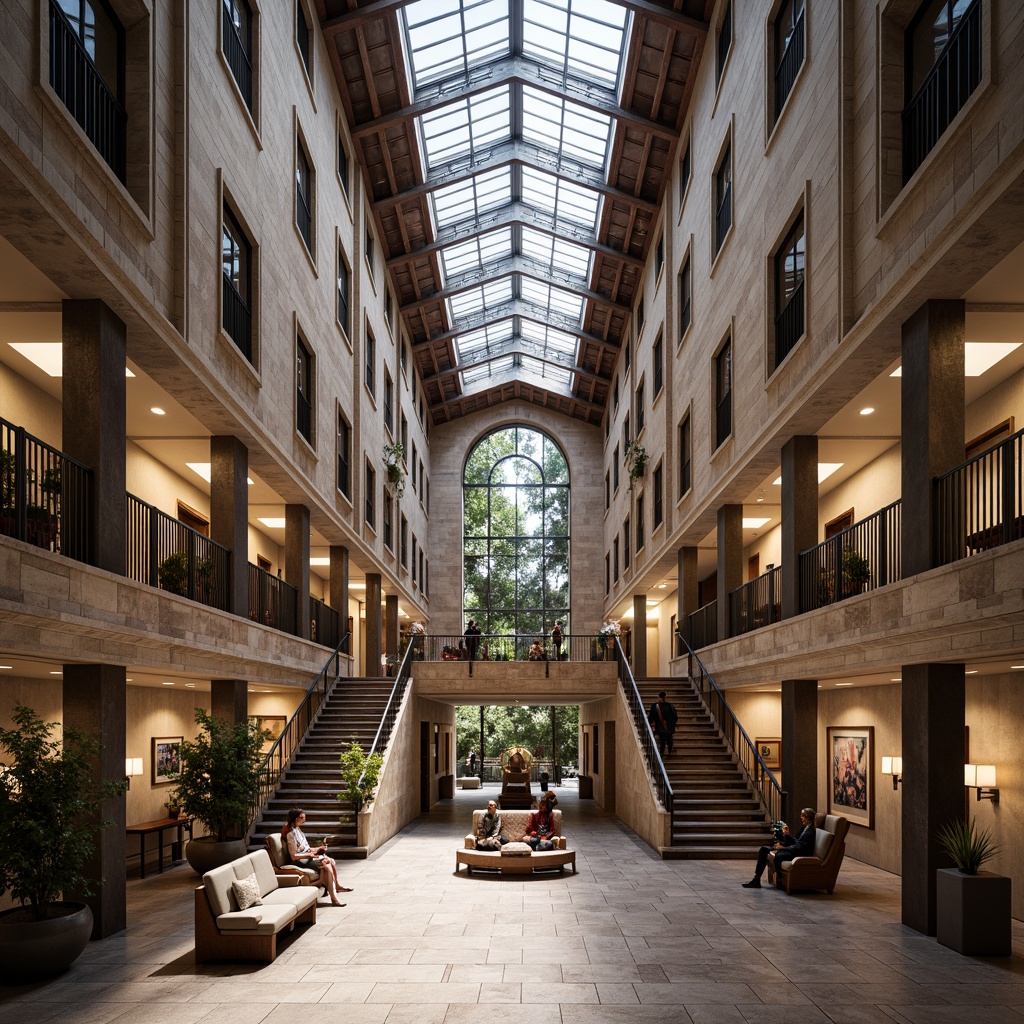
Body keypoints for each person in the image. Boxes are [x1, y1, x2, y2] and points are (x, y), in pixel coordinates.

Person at [283, 807, 352, 905]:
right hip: (300, 861)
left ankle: (337, 886)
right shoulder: (291, 834)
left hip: (307, 857)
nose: (304, 820)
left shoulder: (298, 831)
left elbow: (306, 848)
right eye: (302, 817)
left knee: (330, 860)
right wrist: (310, 855)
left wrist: (318, 849)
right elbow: (294, 856)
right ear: (295, 818)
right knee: (326, 863)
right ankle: (334, 897)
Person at [742, 806, 817, 888]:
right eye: (801, 815)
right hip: (792, 850)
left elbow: (799, 847)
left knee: (777, 855)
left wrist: (782, 848)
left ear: (809, 817)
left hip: (796, 853)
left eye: (804, 816)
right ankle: (756, 879)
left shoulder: (810, 832)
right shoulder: (804, 828)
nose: (801, 818)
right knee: (763, 850)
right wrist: (786, 834)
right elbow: (796, 840)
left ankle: (779, 880)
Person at [648, 690, 678, 756]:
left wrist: (650, 723)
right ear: (665, 697)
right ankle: (669, 750)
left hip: (659, 726)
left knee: (662, 740)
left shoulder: (655, 706)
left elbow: (651, 717)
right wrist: (672, 724)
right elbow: (675, 716)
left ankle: (662, 753)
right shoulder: (670, 706)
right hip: (668, 726)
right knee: (669, 738)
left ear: (658, 697)